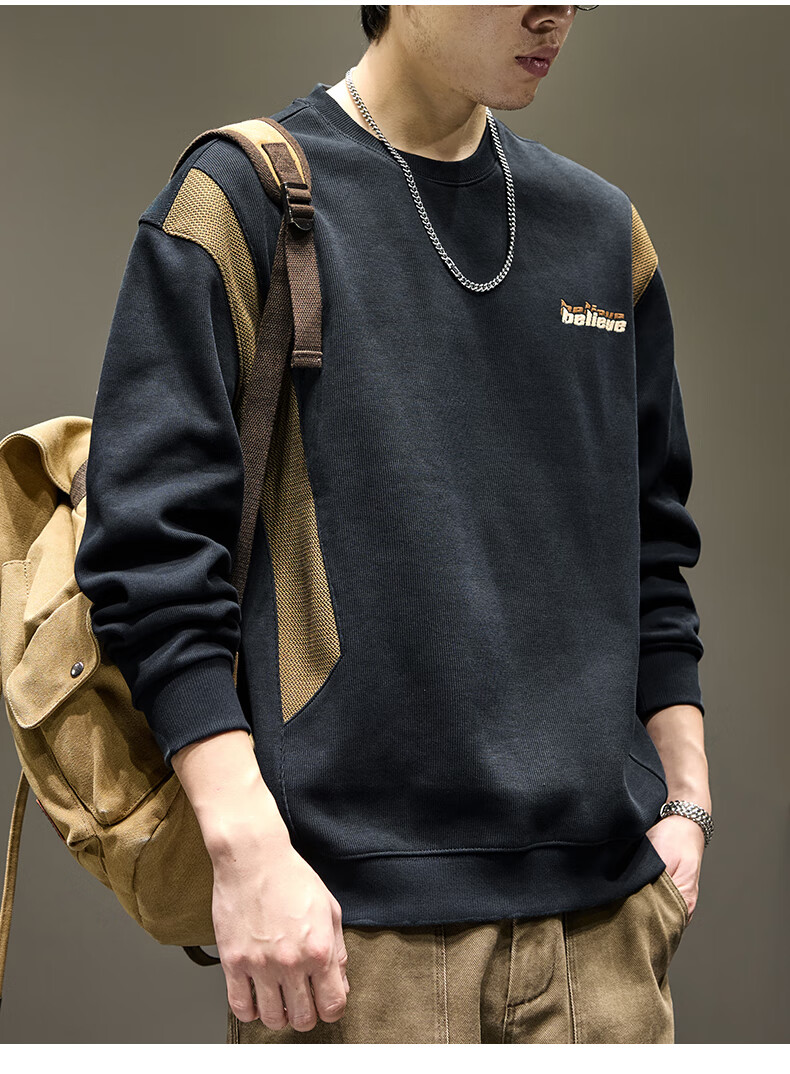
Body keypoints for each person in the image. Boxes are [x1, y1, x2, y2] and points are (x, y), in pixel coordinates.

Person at [74, 4, 713, 1044]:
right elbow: (148, 558)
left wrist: (686, 799)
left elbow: (653, 545)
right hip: (349, 942)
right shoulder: (238, 201)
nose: (558, 10)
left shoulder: (602, 232)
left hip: (606, 938)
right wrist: (246, 851)